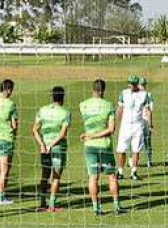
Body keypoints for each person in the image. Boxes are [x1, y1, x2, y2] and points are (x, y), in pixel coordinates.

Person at [79, 79, 124, 215]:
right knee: (112, 177)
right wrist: (96, 135)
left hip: (89, 146)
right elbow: (111, 129)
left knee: (93, 178)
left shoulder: (83, 105)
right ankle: (116, 206)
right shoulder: (108, 105)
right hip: (104, 146)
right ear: (103, 90)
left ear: (92, 89)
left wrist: (91, 136)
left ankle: (95, 207)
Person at [32, 86, 71, 212]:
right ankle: (52, 204)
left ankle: (42, 202)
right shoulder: (65, 113)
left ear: (52, 96)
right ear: (63, 97)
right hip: (58, 148)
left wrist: (43, 145)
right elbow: (62, 134)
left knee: (44, 175)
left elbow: (34, 130)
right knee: (56, 176)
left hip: (45, 148)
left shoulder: (42, 110)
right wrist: (51, 145)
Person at [0, 79, 18, 205]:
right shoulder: (10, 104)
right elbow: (14, 124)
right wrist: (14, 134)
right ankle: (0, 197)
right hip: (5, 138)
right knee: (4, 170)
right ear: (9, 90)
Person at [116, 75, 148, 180]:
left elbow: (147, 109)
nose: (131, 85)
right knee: (121, 149)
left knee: (136, 149)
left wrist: (147, 123)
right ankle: (120, 171)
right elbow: (120, 108)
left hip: (137, 125)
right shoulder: (124, 93)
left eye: (133, 84)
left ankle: (134, 171)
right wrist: (116, 121)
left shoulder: (144, 94)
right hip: (125, 125)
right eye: (130, 83)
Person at [140, 76, 155, 167]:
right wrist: (150, 124)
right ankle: (148, 161)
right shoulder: (149, 95)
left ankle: (133, 161)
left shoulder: (135, 94)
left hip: (139, 120)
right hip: (143, 120)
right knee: (147, 142)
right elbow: (150, 110)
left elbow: (149, 110)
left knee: (138, 141)